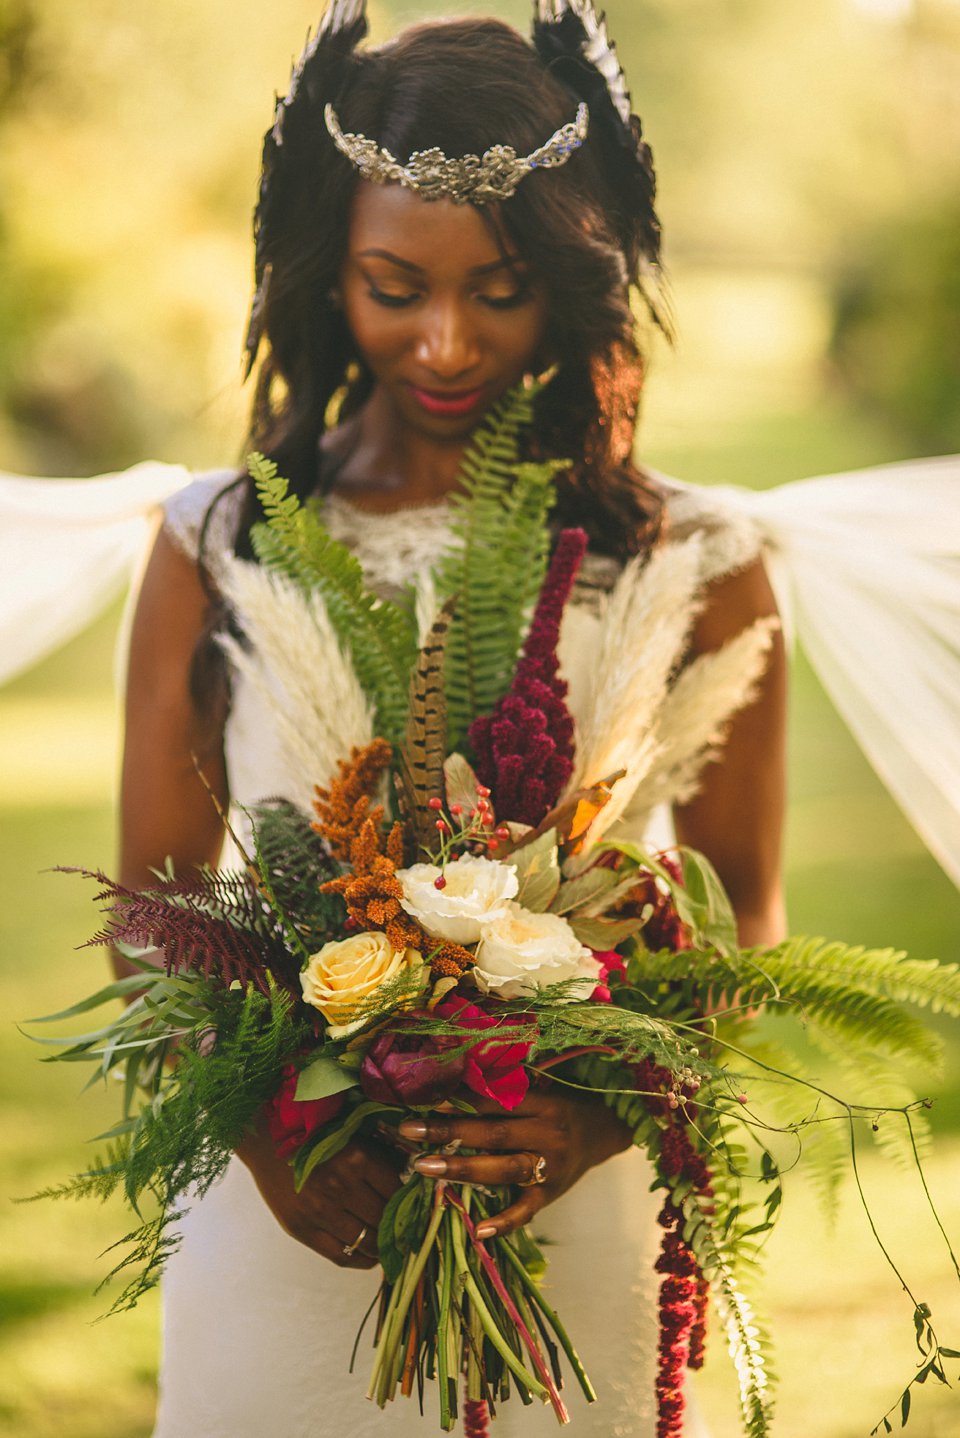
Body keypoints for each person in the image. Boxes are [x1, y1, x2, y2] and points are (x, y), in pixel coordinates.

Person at [104, 4, 787, 1435]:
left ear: (575, 278)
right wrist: (269, 1141)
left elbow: (747, 924)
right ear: (322, 275)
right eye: (394, 283)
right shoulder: (217, 546)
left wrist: (596, 1116)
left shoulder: (691, 563)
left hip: (567, 1219)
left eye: (503, 286)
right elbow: (151, 912)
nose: (448, 338)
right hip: (288, 1222)